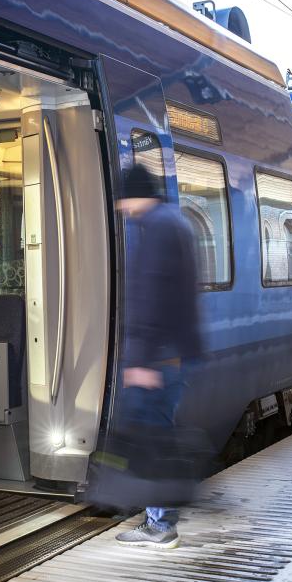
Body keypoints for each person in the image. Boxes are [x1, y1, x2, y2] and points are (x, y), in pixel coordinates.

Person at [113, 165, 204, 547]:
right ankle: (159, 516)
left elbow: (150, 300)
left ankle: (162, 523)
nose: (120, 207)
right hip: (173, 354)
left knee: (154, 437)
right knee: (158, 434)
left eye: (122, 199)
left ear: (135, 194)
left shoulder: (157, 229)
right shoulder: (175, 222)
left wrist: (139, 362)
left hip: (159, 358)